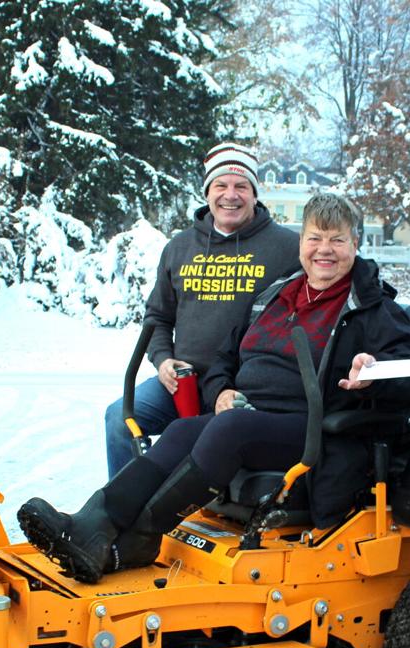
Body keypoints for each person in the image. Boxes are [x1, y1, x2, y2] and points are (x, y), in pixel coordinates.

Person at [19, 192, 410, 583]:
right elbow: (224, 357)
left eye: (337, 239)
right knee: (183, 430)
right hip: (251, 415)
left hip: (316, 427)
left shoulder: (374, 309)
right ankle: (92, 524)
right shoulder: (276, 295)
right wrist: (222, 392)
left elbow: (407, 378)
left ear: (355, 243)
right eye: (315, 237)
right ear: (301, 243)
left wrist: (373, 373)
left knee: (230, 430)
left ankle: (138, 538)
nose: (325, 249)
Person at [103, 141, 300, 477]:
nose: (231, 195)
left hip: (247, 385)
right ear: (208, 192)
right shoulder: (179, 247)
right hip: (184, 384)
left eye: (241, 186)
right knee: (120, 419)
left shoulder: (287, 247)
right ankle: (123, 509)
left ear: (255, 194)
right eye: (221, 185)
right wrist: (163, 360)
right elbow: (157, 318)